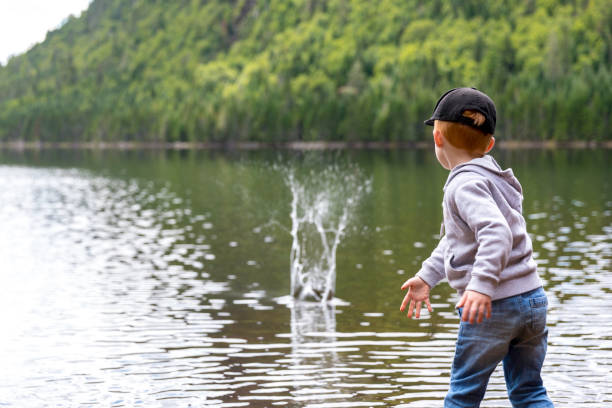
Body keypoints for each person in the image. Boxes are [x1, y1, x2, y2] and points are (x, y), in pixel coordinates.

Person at [399, 88, 554, 408]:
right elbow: (458, 240)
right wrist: (427, 276)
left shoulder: (462, 184)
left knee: (463, 395)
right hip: (533, 302)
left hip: (493, 307)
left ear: (437, 139)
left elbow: (496, 233)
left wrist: (482, 287)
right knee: (529, 392)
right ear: (489, 144)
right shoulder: (494, 178)